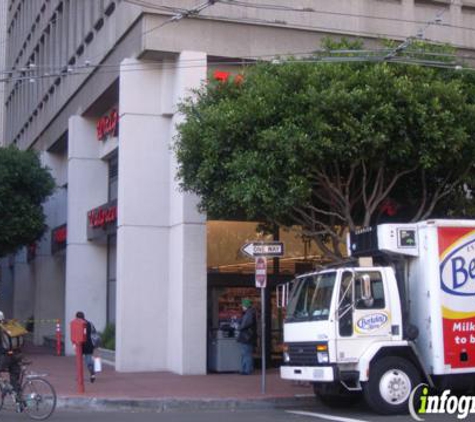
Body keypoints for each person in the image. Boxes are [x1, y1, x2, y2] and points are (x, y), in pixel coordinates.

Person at [0, 311, 22, 396]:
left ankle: (5, 388)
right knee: (14, 380)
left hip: (5, 358)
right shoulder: (10, 326)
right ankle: (19, 401)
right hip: (16, 355)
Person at [236, 298, 257, 375]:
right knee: (246, 353)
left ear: (246, 305)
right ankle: (245, 369)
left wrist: (238, 327)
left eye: (243, 305)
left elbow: (245, 324)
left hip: (247, 337)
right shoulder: (249, 313)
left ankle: (247, 370)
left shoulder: (249, 313)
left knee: (246, 353)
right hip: (247, 336)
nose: (242, 307)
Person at [75, 311, 97, 383]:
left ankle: (79, 376)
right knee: (88, 361)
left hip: (80, 345)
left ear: (77, 317)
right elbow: (94, 333)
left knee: (79, 361)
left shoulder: (77, 324)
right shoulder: (90, 323)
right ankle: (92, 373)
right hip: (89, 345)